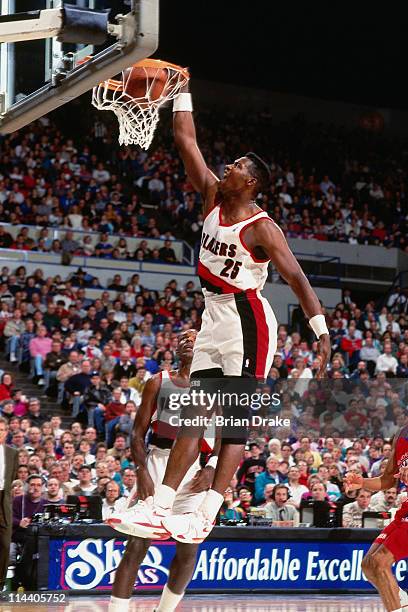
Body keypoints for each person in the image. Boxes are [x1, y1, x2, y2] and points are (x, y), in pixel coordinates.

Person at [114, 79, 331, 544]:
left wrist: (322, 332)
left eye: (235, 166)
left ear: (249, 182)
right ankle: (160, 506)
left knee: (232, 421)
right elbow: (185, 139)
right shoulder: (213, 196)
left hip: (247, 320)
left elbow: (296, 277)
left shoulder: (262, 228)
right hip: (213, 315)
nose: (226, 167)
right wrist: (181, 88)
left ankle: (206, 513)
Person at [106, 330, 218, 612]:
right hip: (158, 462)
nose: (187, 342)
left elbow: (227, 436)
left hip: (193, 471)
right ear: (175, 350)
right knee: (137, 545)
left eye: (193, 338)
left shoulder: (216, 387)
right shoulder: (159, 381)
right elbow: (136, 434)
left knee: (189, 547)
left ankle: (164, 610)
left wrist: (211, 469)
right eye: (182, 339)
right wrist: (142, 471)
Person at [344, 427, 408, 612]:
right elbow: (387, 480)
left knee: (380, 562)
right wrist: (362, 482)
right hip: (405, 509)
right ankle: (402, 602)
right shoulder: (402, 435)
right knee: (369, 565)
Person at [0, 417, 18, 589]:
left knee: (5, 545)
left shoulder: (13, 453)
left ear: (6, 432)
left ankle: (0, 584)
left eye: (2, 430)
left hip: (4, 502)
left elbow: (11, 479)